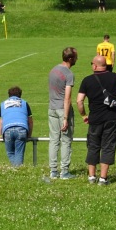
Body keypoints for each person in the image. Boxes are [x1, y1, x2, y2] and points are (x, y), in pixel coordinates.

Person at [76, 55, 116, 185]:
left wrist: (84, 115)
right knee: (108, 146)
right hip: (112, 117)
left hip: (95, 118)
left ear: (95, 66)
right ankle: (103, 178)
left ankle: (91, 176)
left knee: (93, 145)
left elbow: (79, 101)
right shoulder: (115, 77)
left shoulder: (87, 80)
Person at [48, 47, 78, 179]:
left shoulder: (53, 70)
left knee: (54, 140)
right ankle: (64, 171)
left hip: (52, 108)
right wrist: (66, 118)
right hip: (62, 110)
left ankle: (53, 170)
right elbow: (67, 98)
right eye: (76, 57)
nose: (77, 59)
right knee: (66, 140)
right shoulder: (68, 74)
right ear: (71, 59)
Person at [0, 86, 33, 167]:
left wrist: (0, 135)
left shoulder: (3, 104)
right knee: (19, 153)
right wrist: (29, 135)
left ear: (9, 95)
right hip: (21, 128)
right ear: (20, 95)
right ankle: (17, 169)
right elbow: (30, 121)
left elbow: (1, 121)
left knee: (10, 152)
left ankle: (16, 169)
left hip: (7, 128)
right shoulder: (24, 103)